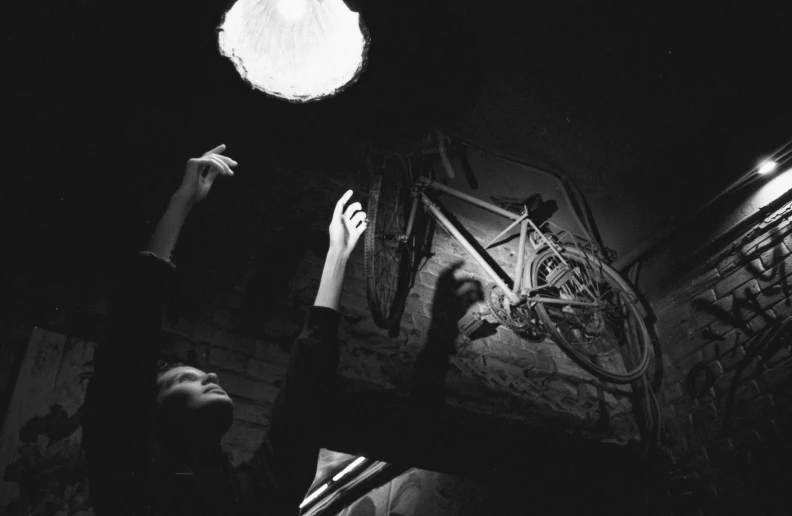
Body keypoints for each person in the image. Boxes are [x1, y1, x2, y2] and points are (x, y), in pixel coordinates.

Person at [82, 144, 368, 515]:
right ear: (152, 412)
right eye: (183, 378)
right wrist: (180, 202)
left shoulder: (250, 492)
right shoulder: (129, 477)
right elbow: (129, 344)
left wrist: (337, 256)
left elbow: (302, 405)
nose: (211, 375)